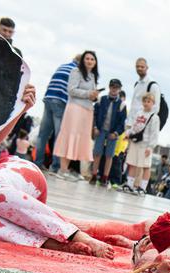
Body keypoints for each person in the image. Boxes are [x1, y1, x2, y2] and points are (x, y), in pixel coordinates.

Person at [0, 85, 121, 258]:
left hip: (17, 180)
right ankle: (49, 243)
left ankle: (78, 235)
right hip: (9, 215)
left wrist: (20, 109)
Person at [53, 51, 99, 181]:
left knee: (79, 140)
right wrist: (88, 93)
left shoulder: (92, 76)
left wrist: (94, 96)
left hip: (87, 110)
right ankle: (62, 169)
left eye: (92, 59)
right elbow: (71, 90)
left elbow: (90, 94)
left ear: (95, 62)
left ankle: (69, 169)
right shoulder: (76, 71)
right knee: (70, 136)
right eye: (87, 58)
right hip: (75, 109)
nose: (89, 61)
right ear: (83, 60)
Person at [34, 56, 79, 171]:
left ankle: (37, 164)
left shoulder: (62, 66)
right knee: (60, 136)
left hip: (48, 98)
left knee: (43, 135)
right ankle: (55, 167)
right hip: (60, 101)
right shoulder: (76, 71)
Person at [122, 93, 160, 196]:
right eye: (145, 101)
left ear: (153, 103)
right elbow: (134, 126)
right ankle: (130, 185)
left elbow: (154, 134)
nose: (146, 103)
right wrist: (128, 134)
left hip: (145, 145)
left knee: (145, 166)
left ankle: (143, 188)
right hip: (136, 142)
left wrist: (150, 147)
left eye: (149, 101)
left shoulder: (154, 117)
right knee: (132, 163)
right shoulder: (139, 113)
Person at [90, 79, 125, 186]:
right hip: (101, 129)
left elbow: (122, 122)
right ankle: (94, 175)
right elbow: (95, 114)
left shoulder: (121, 104)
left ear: (119, 89)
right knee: (97, 153)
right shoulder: (101, 99)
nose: (114, 89)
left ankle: (105, 177)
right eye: (112, 87)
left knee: (109, 155)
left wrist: (116, 133)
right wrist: (95, 127)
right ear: (109, 87)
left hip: (112, 132)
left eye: (117, 88)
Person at [127, 58, 160, 135]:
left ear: (147, 68)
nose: (139, 68)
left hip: (142, 126)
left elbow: (155, 108)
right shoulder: (137, 84)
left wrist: (145, 125)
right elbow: (134, 104)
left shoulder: (152, 85)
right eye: (137, 66)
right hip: (131, 125)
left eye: (142, 67)